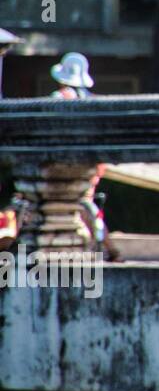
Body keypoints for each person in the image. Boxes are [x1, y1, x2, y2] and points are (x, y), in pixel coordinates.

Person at [45, 53, 117, 258]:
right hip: (93, 161)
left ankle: (108, 248)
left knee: (73, 204)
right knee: (85, 203)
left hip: (65, 162)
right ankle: (101, 247)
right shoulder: (91, 100)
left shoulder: (59, 98)